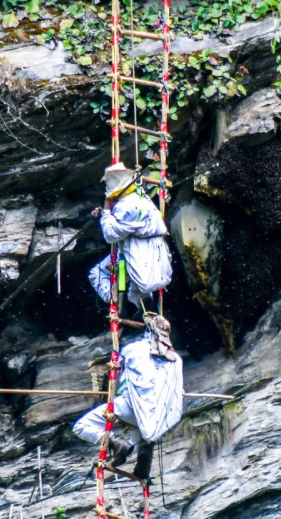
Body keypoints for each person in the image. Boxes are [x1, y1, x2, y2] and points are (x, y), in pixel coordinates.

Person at [73, 315, 183, 479]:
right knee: (144, 433)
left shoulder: (135, 349)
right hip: (153, 414)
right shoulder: (176, 360)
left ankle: (115, 442)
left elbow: (118, 365)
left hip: (128, 406)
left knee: (81, 426)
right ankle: (143, 458)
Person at [87, 162, 173, 310]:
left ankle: (112, 298)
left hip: (136, 251)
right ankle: (143, 301)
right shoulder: (140, 196)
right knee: (136, 287)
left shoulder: (126, 206)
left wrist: (107, 211)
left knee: (97, 273)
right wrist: (103, 214)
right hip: (152, 248)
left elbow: (111, 235)